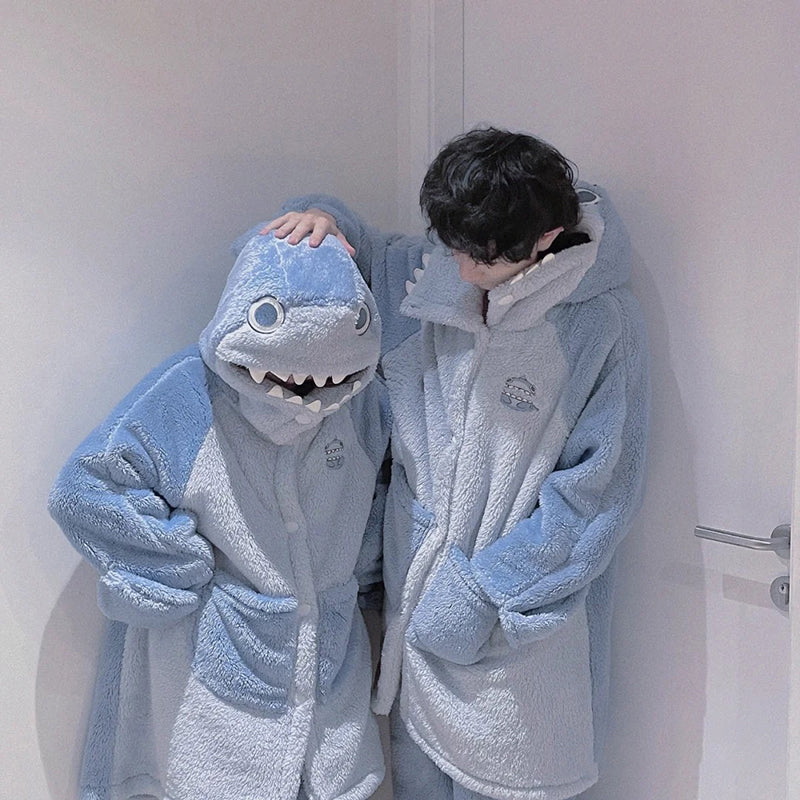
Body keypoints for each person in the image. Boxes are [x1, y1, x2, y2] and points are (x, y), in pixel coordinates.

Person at [264, 127, 649, 800]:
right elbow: (371, 252)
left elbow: (598, 492)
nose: (462, 270)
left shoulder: (599, 325)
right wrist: (324, 217)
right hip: (416, 615)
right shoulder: (444, 267)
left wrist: (481, 596)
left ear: (545, 238)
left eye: (482, 258)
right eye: (453, 247)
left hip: (511, 622)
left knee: (512, 777)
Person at [48, 233, 390, 800]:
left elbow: (379, 496)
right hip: (220, 660)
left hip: (331, 661)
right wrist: (178, 565)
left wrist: (368, 571)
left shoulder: (362, 404)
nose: (302, 388)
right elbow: (85, 489)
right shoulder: (192, 394)